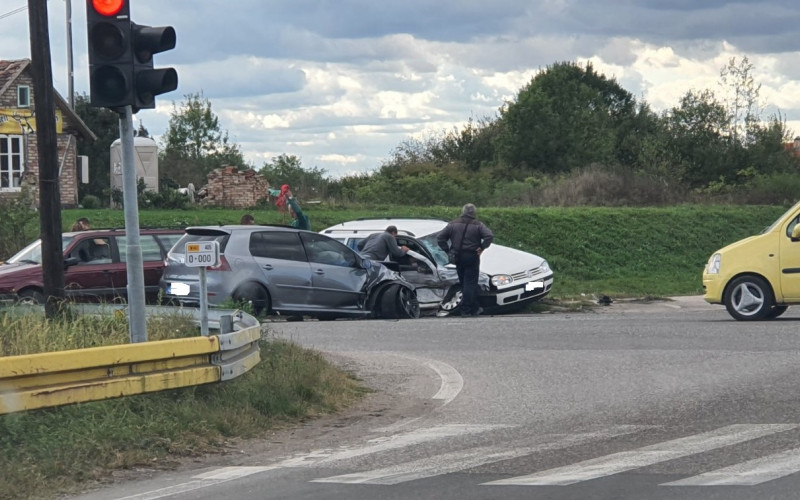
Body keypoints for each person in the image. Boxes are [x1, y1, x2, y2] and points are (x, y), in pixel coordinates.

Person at [437, 203, 494, 317]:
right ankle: (466, 309)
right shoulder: (478, 225)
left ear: (463, 212)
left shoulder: (452, 224)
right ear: (474, 213)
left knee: (464, 282)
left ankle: (474, 307)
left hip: (457, 256)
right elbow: (489, 236)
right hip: (471, 256)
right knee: (470, 283)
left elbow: (440, 238)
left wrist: (447, 250)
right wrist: (482, 247)